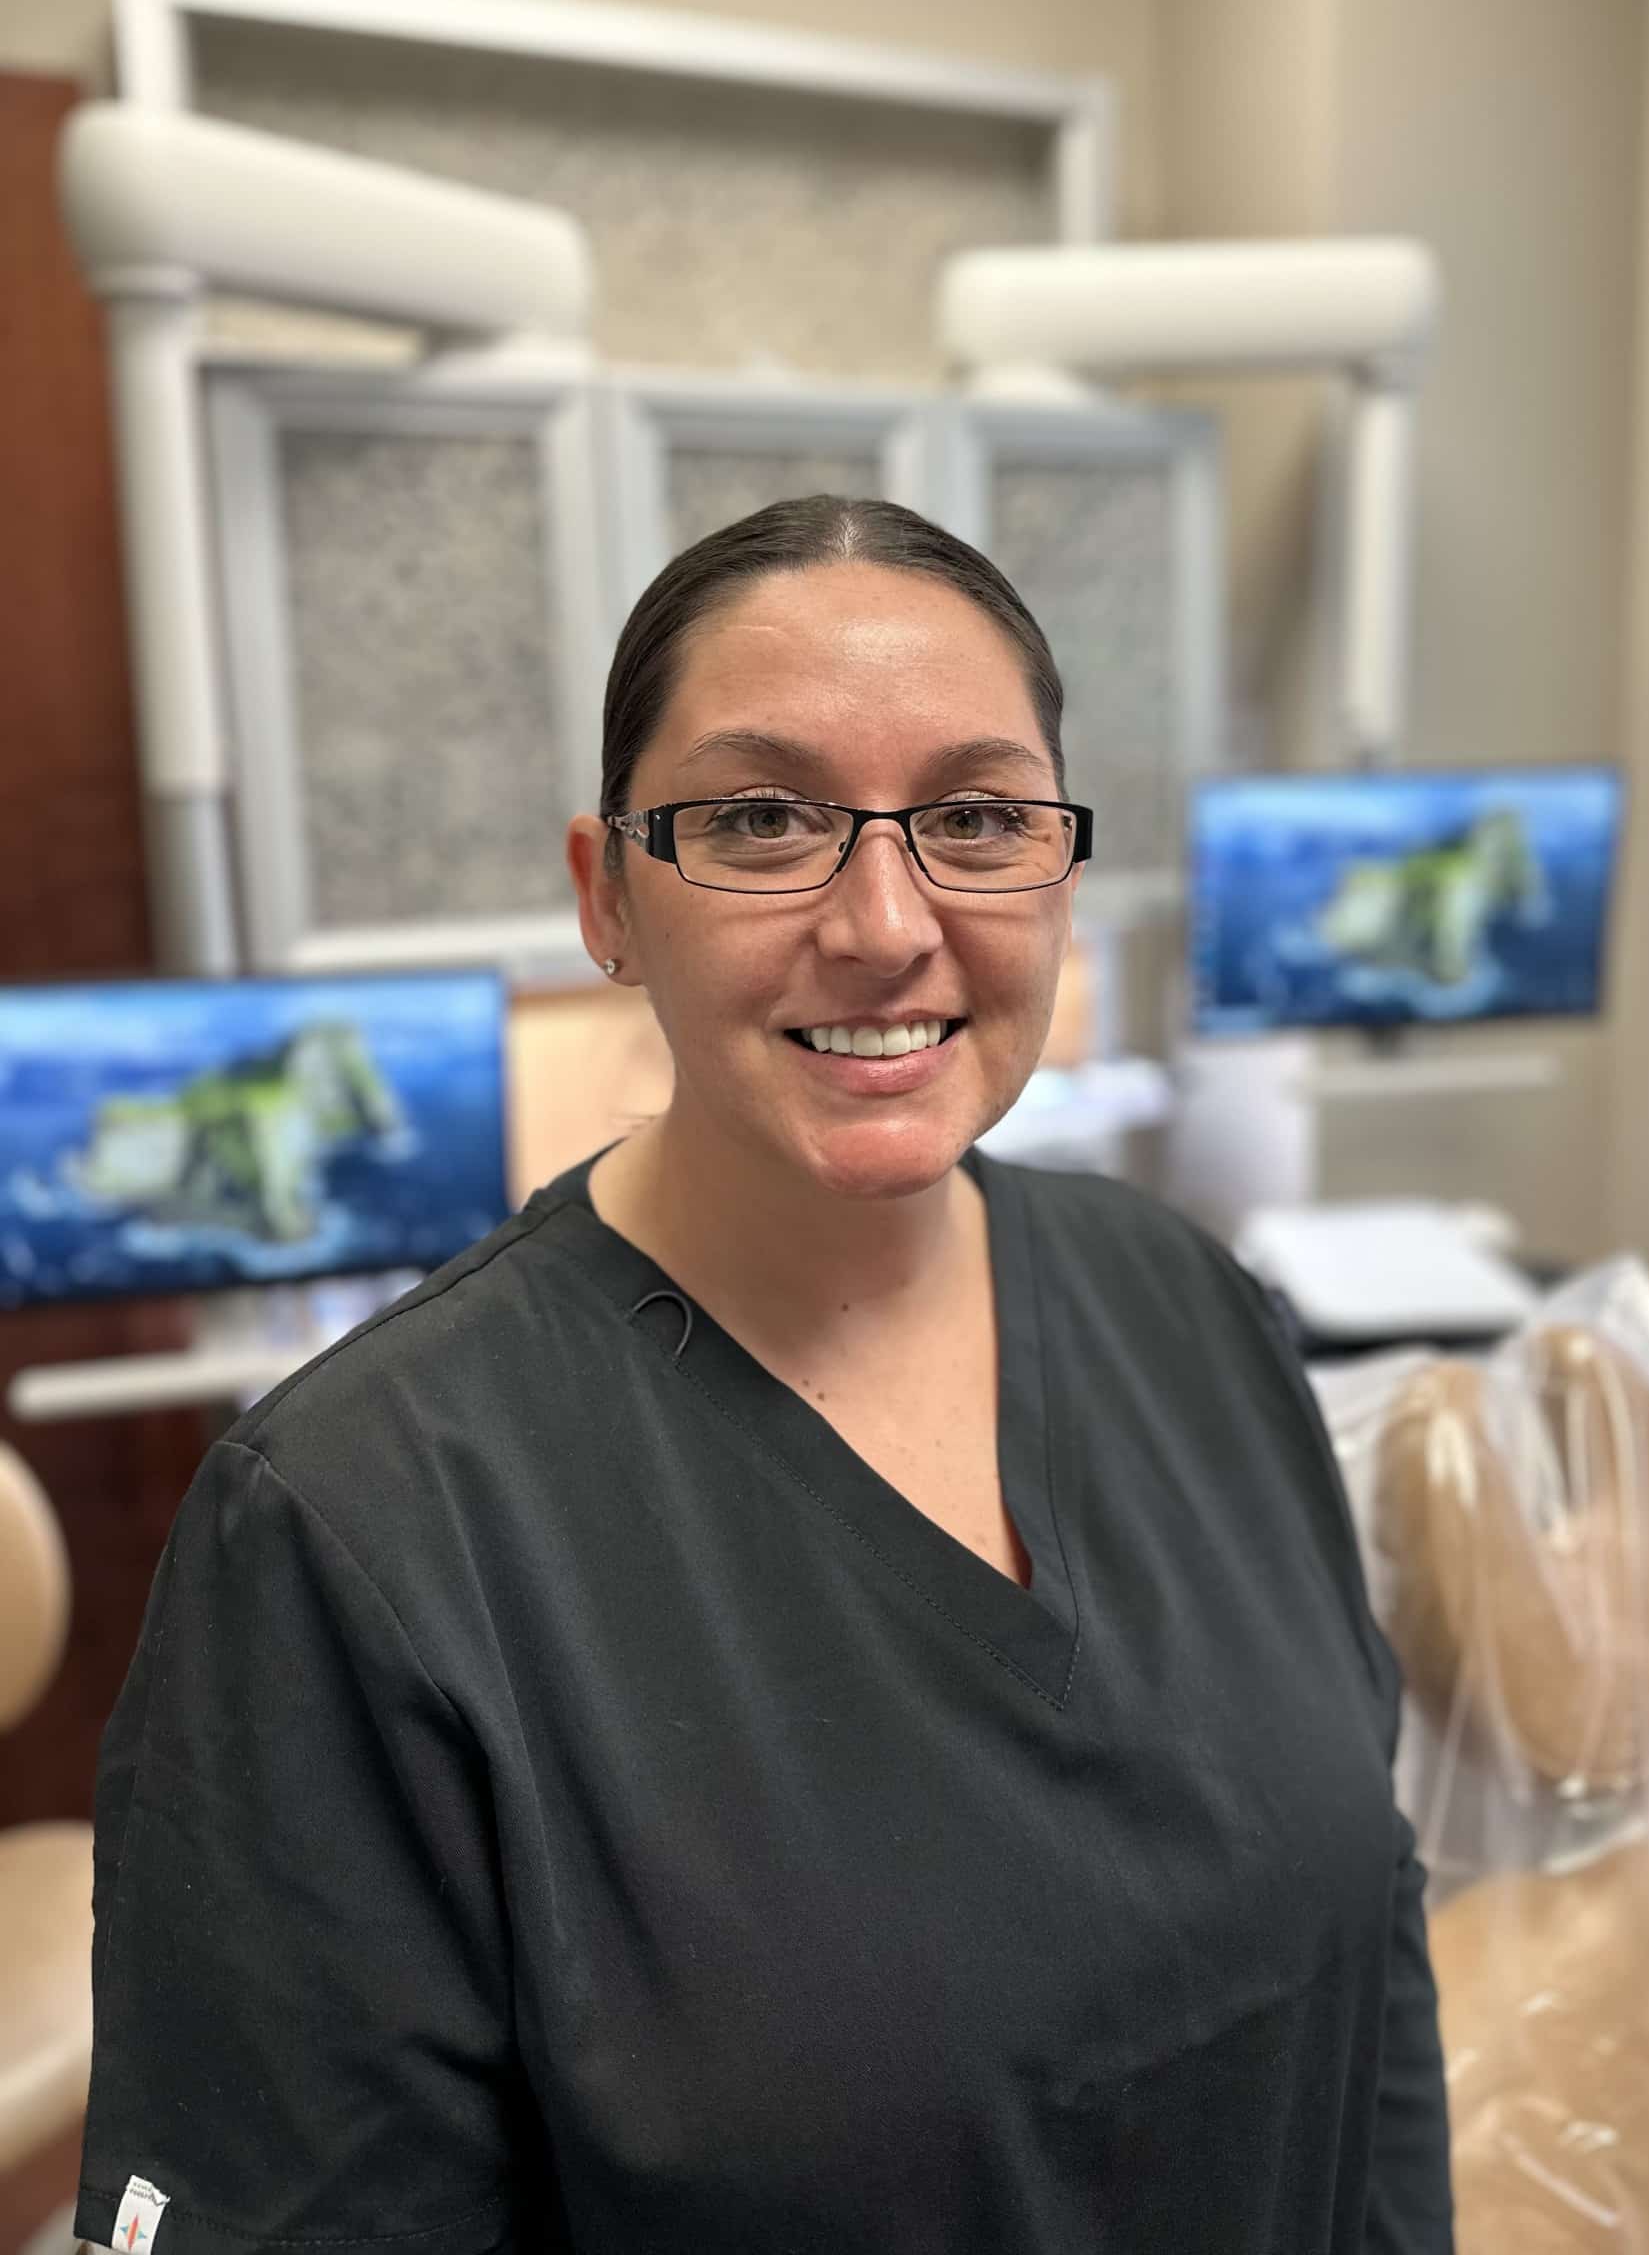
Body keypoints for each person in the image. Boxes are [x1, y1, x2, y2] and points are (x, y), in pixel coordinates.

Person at [75, 496, 1453, 2255]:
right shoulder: (364, 1533)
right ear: (609, 899)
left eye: (974, 817)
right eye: (759, 821)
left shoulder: (1192, 1311)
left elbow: (1375, 1971)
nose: (886, 923)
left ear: (1060, 873)